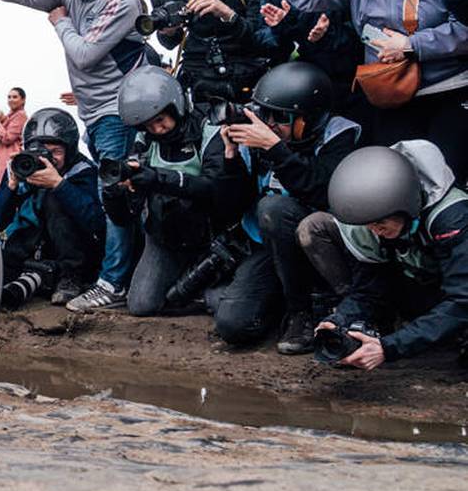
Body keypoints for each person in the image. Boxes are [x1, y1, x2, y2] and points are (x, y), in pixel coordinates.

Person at [0, 0, 153, 312]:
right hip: (92, 114)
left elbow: (84, 55)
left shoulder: (120, 1)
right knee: (112, 193)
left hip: (118, 110)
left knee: (111, 197)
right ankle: (113, 277)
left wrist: (59, 22)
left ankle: (112, 283)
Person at [279, 0, 468, 179]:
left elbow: (465, 29)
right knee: (398, 188)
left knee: (444, 182)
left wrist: (412, 45)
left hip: (449, 91)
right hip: (390, 99)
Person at [216, 62, 360, 350]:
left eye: (280, 116)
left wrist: (276, 150)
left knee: (275, 208)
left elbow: (323, 191)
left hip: (324, 244)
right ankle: (284, 305)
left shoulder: (339, 134)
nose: (269, 123)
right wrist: (231, 157)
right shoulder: (257, 139)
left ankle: (302, 313)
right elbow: (229, 208)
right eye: (265, 113)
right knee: (233, 325)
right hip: (272, 248)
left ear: (308, 117)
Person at [300, 143, 468, 370]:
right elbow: (369, 290)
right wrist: (339, 320)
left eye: (380, 223)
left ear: (408, 206)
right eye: (368, 224)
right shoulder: (373, 220)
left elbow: (462, 303)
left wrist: (389, 348)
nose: (374, 230)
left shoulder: (451, 219)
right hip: (427, 285)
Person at [102, 66, 252, 317]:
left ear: (176, 106)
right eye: (149, 125)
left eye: (161, 120)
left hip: (211, 235)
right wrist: (115, 195)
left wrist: (158, 179)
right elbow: (125, 217)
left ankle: (197, 288)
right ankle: (186, 287)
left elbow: (215, 187)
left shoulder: (209, 129)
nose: (157, 130)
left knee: (219, 302)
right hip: (165, 237)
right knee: (141, 305)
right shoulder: (144, 142)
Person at [0, 108, 104, 309]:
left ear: (70, 151)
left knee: (55, 198)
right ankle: (32, 276)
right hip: (30, 248)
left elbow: (96, 223)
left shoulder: (83, 170)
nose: (48, 159)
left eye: (56, 152)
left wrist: (59, 185)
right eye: (41, 151)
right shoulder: (23, 168)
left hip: (75, 254)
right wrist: (11, 187)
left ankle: (70, 277)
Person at [0, 88, 27, 204]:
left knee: (2, 194)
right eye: (9, 97)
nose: (11, 100)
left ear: (23, 100)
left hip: (7, 161)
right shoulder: (8, 117)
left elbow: (8, 138)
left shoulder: (21, 116)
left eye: (15, 97)